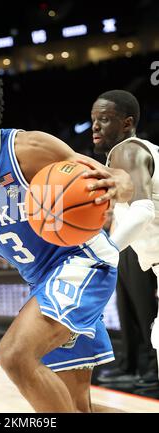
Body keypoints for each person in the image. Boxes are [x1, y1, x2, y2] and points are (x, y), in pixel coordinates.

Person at [0, 64, 133, 413]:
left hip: (82, 260)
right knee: (77, 407)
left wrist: (120, 184)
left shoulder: (27, 150)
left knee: (14, 354)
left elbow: (113, 176)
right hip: (41, 282)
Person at [90, 89, 159, 385]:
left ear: (127, 123)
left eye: (104, 120)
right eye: (93, 119)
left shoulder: (126, 150)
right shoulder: (144, 149)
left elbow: (143, 211)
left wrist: (102, 252)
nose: (95, 126)